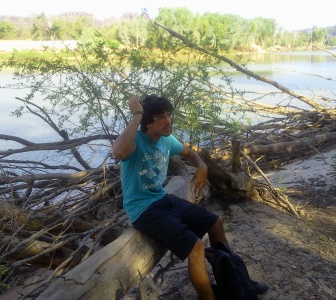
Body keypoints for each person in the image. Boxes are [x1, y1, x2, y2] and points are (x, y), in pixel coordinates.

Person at [113, 94, 267, 299]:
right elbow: (118, 152)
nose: (168, 121)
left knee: (216, 222)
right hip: (143, 210)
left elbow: (190, 153)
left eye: (169, 115)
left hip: (162, 199)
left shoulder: (166, 140)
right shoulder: (136, 142)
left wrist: (202, 165)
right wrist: (137, 114)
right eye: (160, 116)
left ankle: (234, 281)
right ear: (147, 122)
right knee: (196, 247)